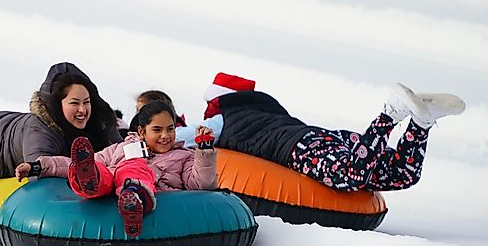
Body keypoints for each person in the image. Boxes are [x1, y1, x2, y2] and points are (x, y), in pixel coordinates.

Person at [177, 72, 466, 192]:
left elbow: (178, 137)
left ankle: (391, 112)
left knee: (352, 175)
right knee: (403, 174)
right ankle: (422, 122)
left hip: (299, 150)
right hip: (323, 137)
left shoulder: (223, 119)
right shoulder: (266, 107)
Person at [15, 101, 217, 237]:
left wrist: (204, 150)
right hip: (111, 191)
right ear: (141, 131)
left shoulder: (183, 156)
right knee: (104, 169)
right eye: (157, 130)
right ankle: (89, 179)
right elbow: (69, 163)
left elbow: (200, 184)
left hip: (155, 197)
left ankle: (135, 196)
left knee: (133, 166)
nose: (165, 135)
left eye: (170, 128)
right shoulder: (122, 148)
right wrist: (38, 166)